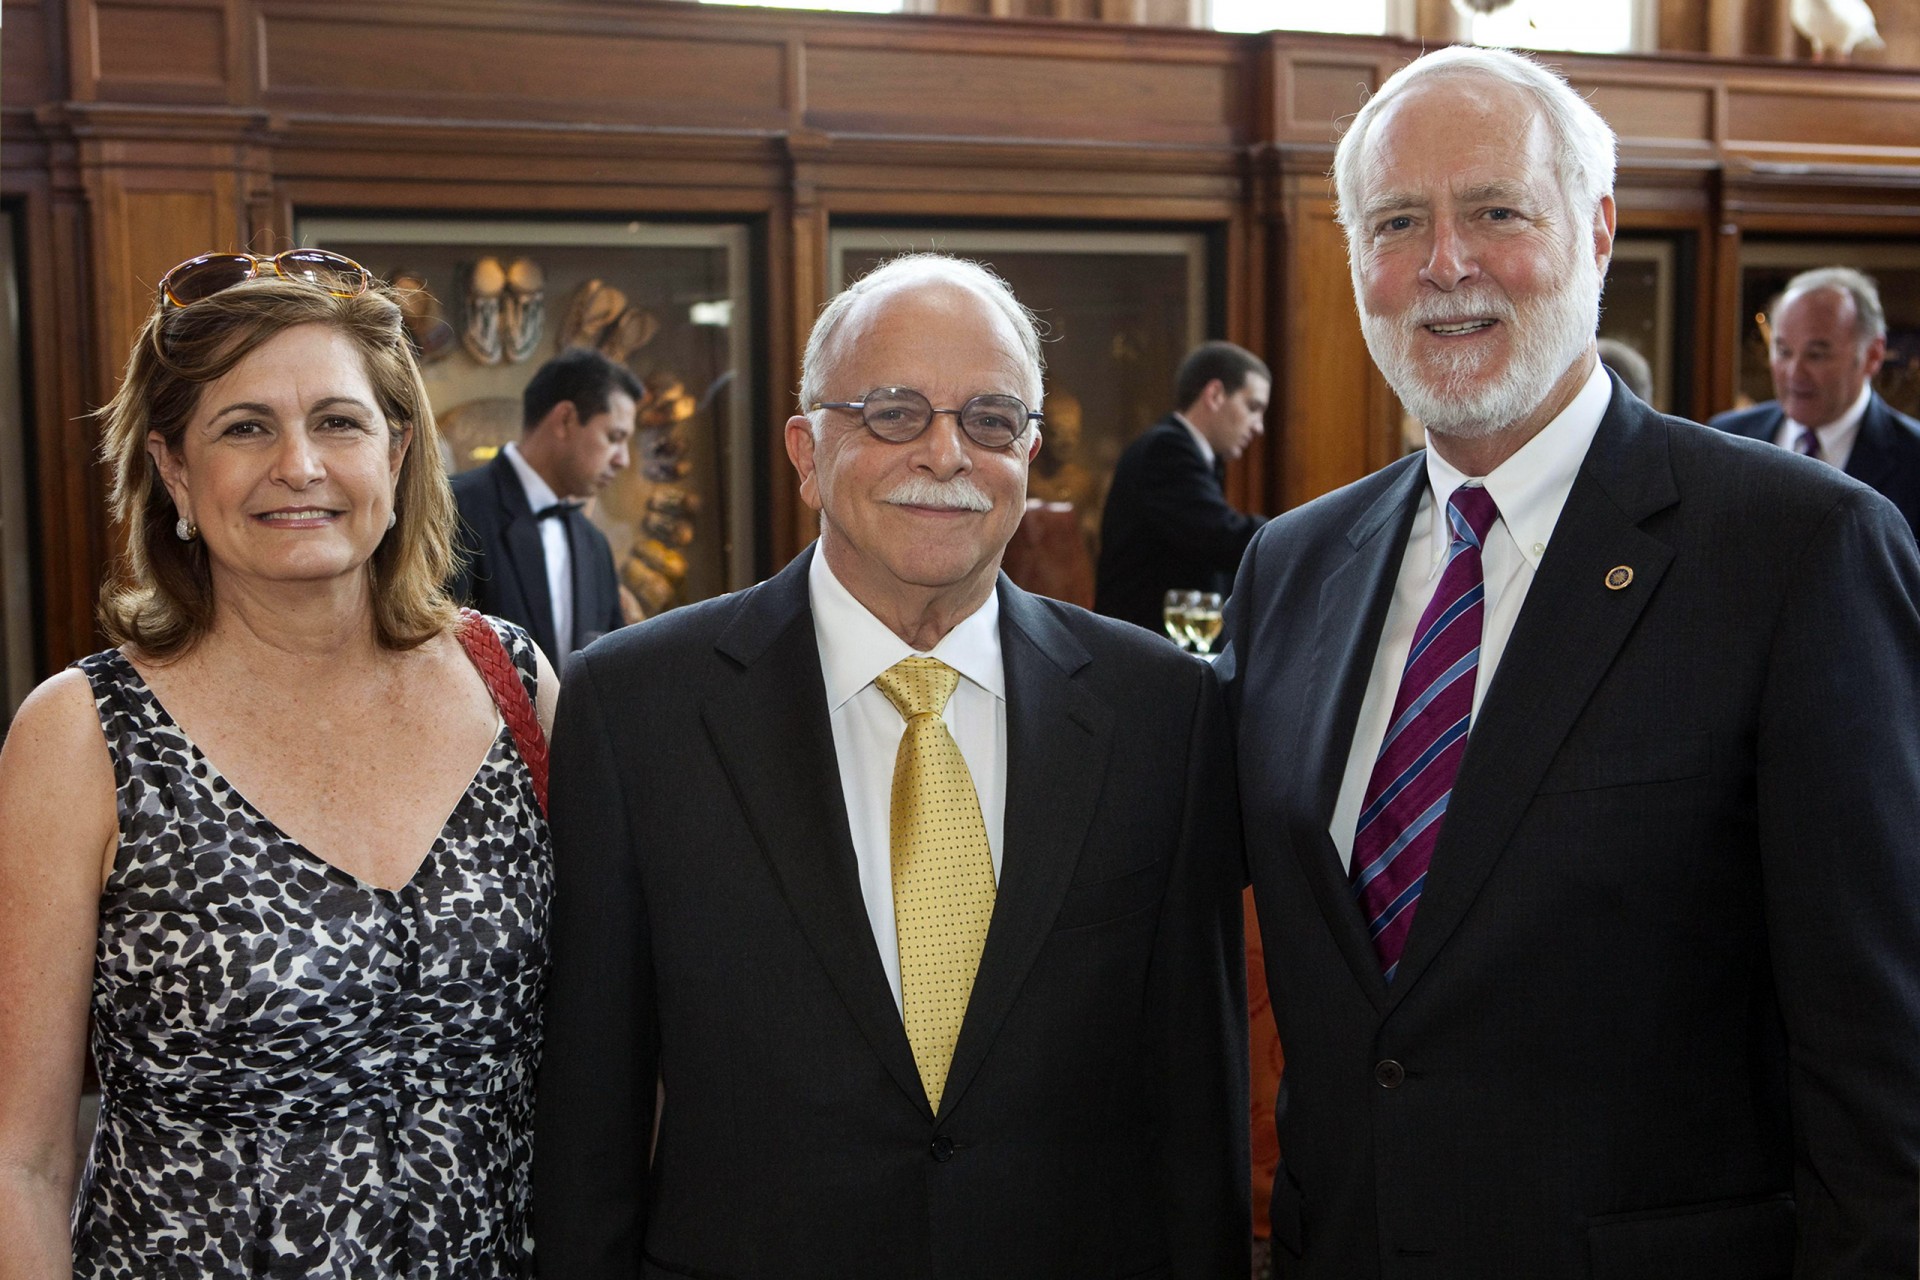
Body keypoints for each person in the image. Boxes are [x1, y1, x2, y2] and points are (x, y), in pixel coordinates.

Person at [1218, 47, 1920, 1276]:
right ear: (1356, 263)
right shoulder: (1290, 565)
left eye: (1496, 210)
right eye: (1398, 222)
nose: (1446, 263)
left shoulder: (1798, 550)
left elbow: (1883, 1061)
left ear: (1596, 230)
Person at [534, 253, 1250, 1278]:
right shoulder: (636, 708)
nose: (948, 453)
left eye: (992, 419)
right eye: (894, 412)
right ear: (806, 450)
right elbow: (589, 1116)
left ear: (1031, 452)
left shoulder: (1162, 711)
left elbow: (1197, 1103)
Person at [0, 251, 557, 1277]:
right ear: (174, 468)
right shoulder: (83, 732)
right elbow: (20, 1159)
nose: (297, 464)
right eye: (244, 426)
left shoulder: (511, 680)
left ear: (394, 455)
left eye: (338, 422)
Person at [449, 346, 639, 664]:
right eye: (614, 437)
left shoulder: (595, 545)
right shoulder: (455, 507)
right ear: (565, 419)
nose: (623, 459)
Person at [1711, 266, 1920, 535]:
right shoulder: (1727, 437)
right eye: (1783, 351)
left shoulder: (1913, 459)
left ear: (1872, 355)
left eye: (1816, 355)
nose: (1794, 373)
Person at [1095, 341, 1269, 632]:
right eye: (1253, 407)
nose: (1258, 426)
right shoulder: (1165, 449)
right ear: (1214, 395)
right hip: (1139, 654)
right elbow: (1221, 538)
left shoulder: (1188, 453)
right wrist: (1298, 532)